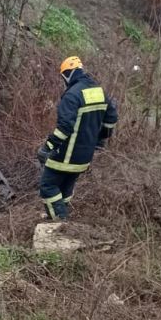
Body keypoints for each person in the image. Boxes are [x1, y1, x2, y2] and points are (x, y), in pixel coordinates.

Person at [37, 56, 118, 220]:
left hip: (66, 154)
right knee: (65, 187)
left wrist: (48, 146)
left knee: (48, 186)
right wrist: (100, 140)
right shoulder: (99, 91)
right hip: (84, 157)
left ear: (67, 74)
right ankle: (62, 213)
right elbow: (112, 119)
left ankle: (59, 220)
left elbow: (65, 127)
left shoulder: (72, 95)